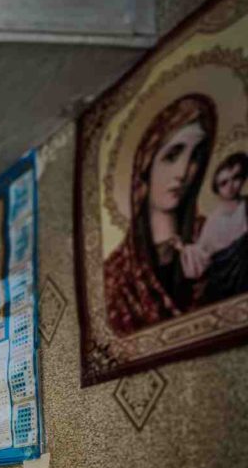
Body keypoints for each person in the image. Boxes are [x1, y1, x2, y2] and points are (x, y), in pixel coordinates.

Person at [103, 94, 216, 334]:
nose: (183, 172)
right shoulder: (118, 273)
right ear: (146, 164)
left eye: (195, 157)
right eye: (172, 155)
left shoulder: (211, 236)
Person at [179, 151, 248, 304]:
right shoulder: (214, 219)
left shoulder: (246, 205)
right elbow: (203, 253)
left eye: (236, 178)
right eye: (224, 183)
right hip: (225, 279)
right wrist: (182, 248)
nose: (230, 186)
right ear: (217, 188)